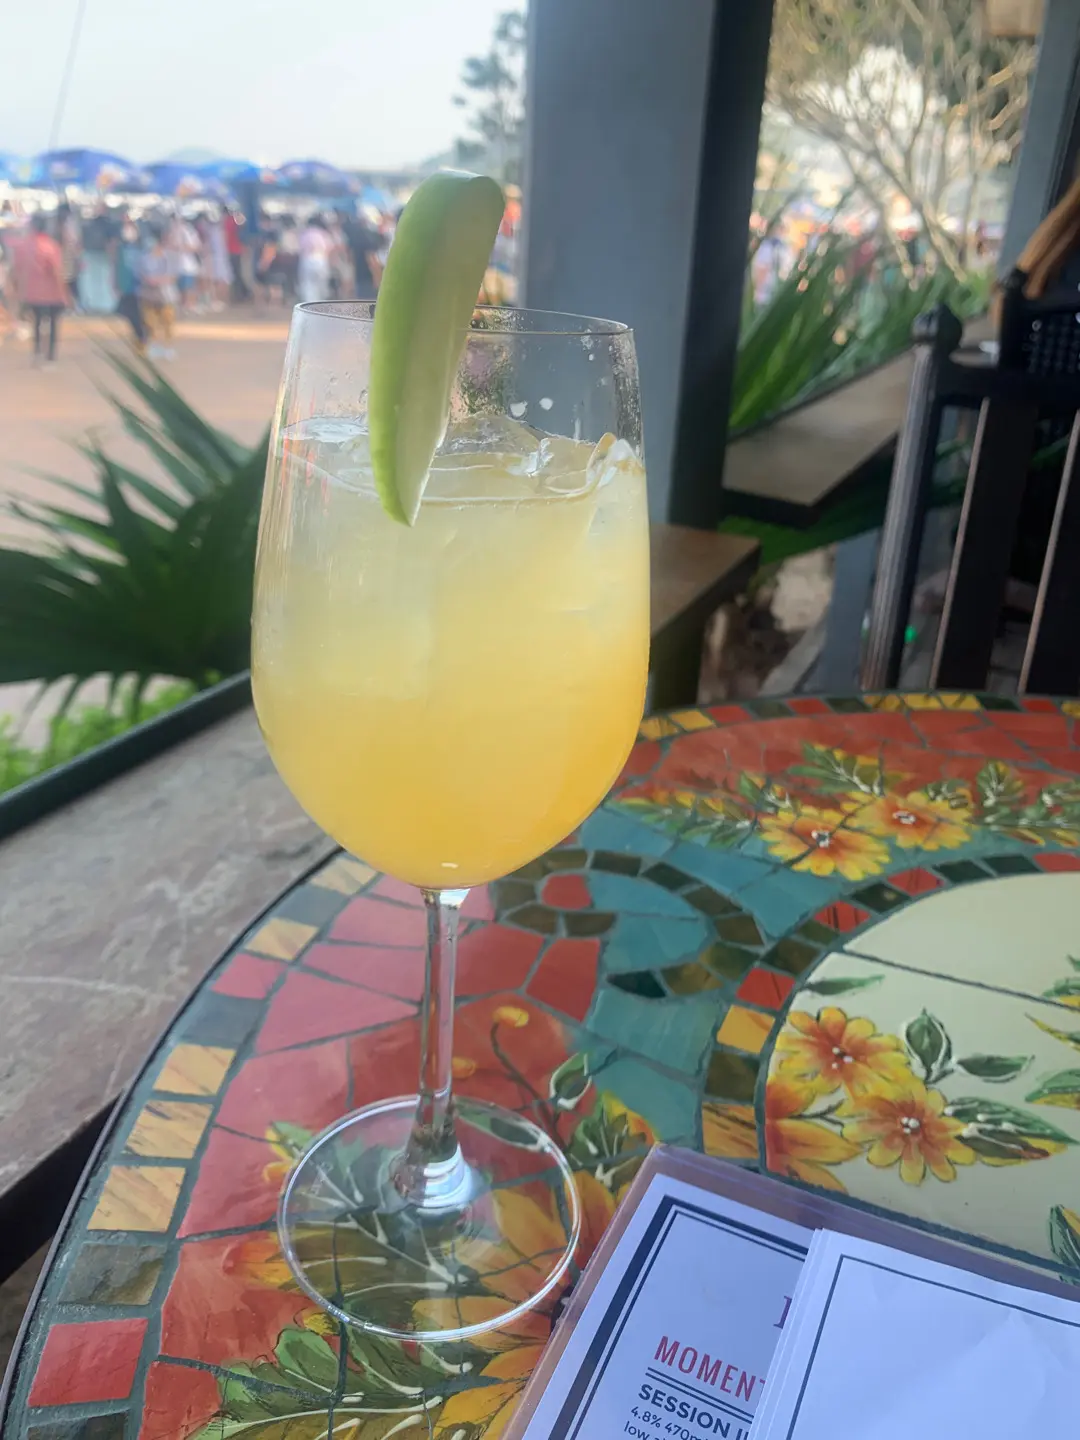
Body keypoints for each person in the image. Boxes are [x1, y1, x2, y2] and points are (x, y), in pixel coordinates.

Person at [14, 214, 68, 366]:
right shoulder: (51, 246)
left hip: (31, 293)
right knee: (53, 324)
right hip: (52, 293)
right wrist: (64, 293)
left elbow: (17, 270)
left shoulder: (23, 246)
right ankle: (50, 355)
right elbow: (57, 272)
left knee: (36, 323)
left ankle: (37, 352)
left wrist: (18, 291)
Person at [138, 225, 178, 359]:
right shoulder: (144, 258)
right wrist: (150, 280)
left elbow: (173, 276)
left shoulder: (169, 257)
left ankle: (168, 347)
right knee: (150, 322)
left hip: (166, 295)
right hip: (148, 295)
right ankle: (154, 345)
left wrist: (159, 280)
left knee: (168, 322)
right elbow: (141, 274)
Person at [114, 219, 147, 350]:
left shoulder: (142, 248)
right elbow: (117, 267)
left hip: (139, 287)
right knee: (129, 313)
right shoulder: (121, 249)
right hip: (126, 286)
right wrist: (117, 283)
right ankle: (140, 335)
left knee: (138, 313)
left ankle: (142, 336)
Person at [79, 201, 117, 313]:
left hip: (97, 256)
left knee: (97, 281)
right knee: (98, 281)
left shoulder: (92, 224)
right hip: (95, 255)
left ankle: (97, 304)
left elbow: (112, 242)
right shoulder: (104, 224)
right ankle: (99, 304)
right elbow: (112, 242)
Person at [297, 214, 332, 303]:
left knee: (308, 284)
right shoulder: (323, 234)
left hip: (307, 260)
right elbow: (329, 248)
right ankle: (320, 303)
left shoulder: (305, 233)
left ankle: (309, 304)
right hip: (321, 260)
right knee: (322, 284)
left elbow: (300, 248)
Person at [224, 207, 249, 302]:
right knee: (238, 274)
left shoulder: (228, 222)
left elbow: (226, 236)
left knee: (234, 274)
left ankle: (238, 295)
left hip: (232, 251)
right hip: (238, 251)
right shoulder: (237, 221)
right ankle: (241, 295)